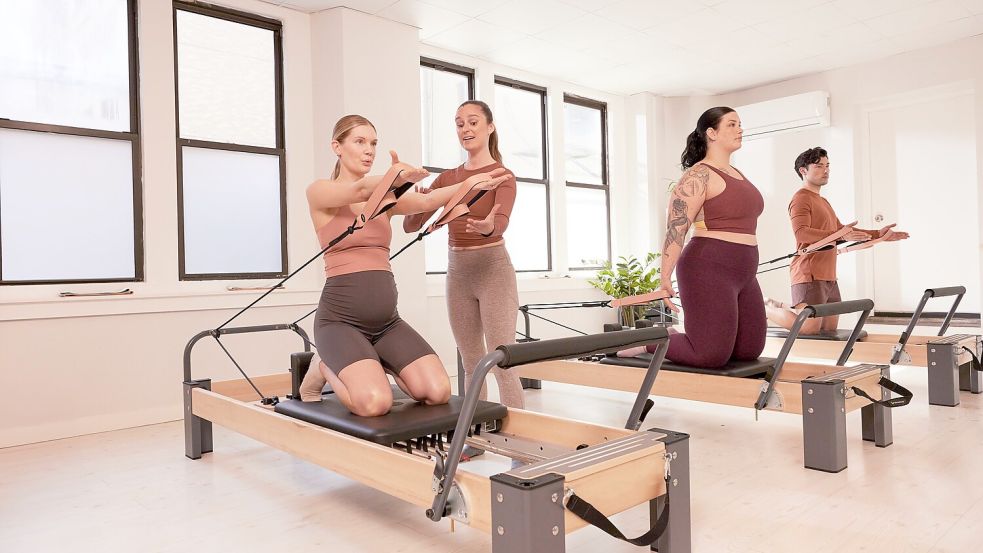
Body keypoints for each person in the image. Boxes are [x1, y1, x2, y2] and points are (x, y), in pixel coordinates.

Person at [298, 114, 510, 416]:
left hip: (387, 323)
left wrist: (472, 183)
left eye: (373, 143)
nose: (369, 150)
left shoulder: (385, 199)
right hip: (340, 323)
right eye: (359, 142)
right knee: (375, 403)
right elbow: (359, 191)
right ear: (337, 147)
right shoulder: (320, 192)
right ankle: (324, 364)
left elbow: (427, 202)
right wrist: (393, 179)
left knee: (437, 391)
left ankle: (373, 358)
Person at [620, 107, 766, 367]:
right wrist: (665, 276)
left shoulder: (738, 174)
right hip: (709, 267)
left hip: (744, 272)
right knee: (709, 355)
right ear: (712, 133)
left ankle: (677, 337)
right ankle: (650, 341)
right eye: (731, 124)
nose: (740, 129)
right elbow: (676, 228)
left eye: (740, 124)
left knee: (748, 351)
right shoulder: (698, 175)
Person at [403, 101, 525, 411]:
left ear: (490, 127)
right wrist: (417, 203)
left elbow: (501, 221)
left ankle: (522, 445)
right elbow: (410, 225)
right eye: (459, 124)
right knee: (471, 364)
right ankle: (473, 437)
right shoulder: (447, 178)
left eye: (472, 122)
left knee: (503, 361)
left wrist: (488, 227)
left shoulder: (502, 175)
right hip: (458, 272)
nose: (465, 129)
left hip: (493, 268)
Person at [765, 147, 908, 334]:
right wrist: (840, 235)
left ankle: (779, 305)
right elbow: (802, 233)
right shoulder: (800, 199)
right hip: (809, 273)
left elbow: (842, 231)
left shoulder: (823, 202)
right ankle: (765, 308)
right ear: (803, 170)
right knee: (809, 327)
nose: (825, 170)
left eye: (827, 166)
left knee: (828, 330)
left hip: (829, 275)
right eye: (818, 166)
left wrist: (879, 234)